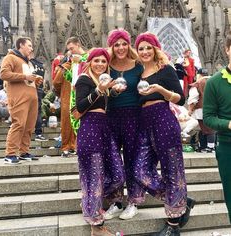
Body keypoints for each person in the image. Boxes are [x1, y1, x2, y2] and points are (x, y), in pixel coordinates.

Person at [134, 32, 195, 236]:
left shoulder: (166, 69)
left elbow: (180, 99)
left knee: (172, 170)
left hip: (163, 120)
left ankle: (173, 225)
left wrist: (161, 90)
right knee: (139, 171)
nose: (144, 51)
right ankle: (179, 199)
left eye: (148, 47)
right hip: (144, 122)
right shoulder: (137, 73)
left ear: (155, 49)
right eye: (141, 48)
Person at [75, 48, 122, 236]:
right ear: (90, 62)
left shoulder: (104, 82)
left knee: (118, 174)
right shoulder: (84, 80)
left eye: (104, 61)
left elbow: (105, 104)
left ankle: (89, 198)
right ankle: (97, 226)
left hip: (104, 129)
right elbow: (80, 106)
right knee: (94, 177)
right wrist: (99, 90)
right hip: (90, 130)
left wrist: (114, 91)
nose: (100, 64)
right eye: (97, 61)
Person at [103, 28, 145, 221]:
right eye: (116, 44)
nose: (120, 48)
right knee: (112, 159)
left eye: (123, 43)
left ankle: (133, 201)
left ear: (129, 45)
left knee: (131, 158)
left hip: (133, 116)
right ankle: (116, 201)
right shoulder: (106, 66)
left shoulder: (138, 66)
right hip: (111, 116)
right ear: (111, 46)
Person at [0, 36, 43, 164]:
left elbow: (27, 80)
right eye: (29, 45)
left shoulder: (28, 62)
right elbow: (4, 74)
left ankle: (24, 152)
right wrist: (26, 76)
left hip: (32, 98)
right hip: (19, 98)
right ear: (21, 45)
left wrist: (36, 81)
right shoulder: (10, 57)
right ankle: (10, 154)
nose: (32, 48)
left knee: (29, 127)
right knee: (18, 124)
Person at [203, 31, 231, 223]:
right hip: (228, 147)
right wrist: (228, 124)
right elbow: (208, 118)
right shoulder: (214, 82)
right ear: (227, 50)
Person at [53, 37, 87, 157]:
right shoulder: (68, 64)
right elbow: (56, 82)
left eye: (72, 48)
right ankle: (69, 146)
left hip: (83, 97)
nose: (71, 52)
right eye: (69, 50)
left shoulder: (88, 60)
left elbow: (56, 82)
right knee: (69, 121)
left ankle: (71, 146)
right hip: (70, 96)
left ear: (78, 45)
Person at [188, 68, 215, 152]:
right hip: (214, 108)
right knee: (210, 128)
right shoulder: (214, 81)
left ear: (198, 74)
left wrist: (190, 110)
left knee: (206, 128)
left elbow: (193, 99)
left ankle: (210, 147)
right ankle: (206, 146)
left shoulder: (198, 83)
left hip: (201, 109)